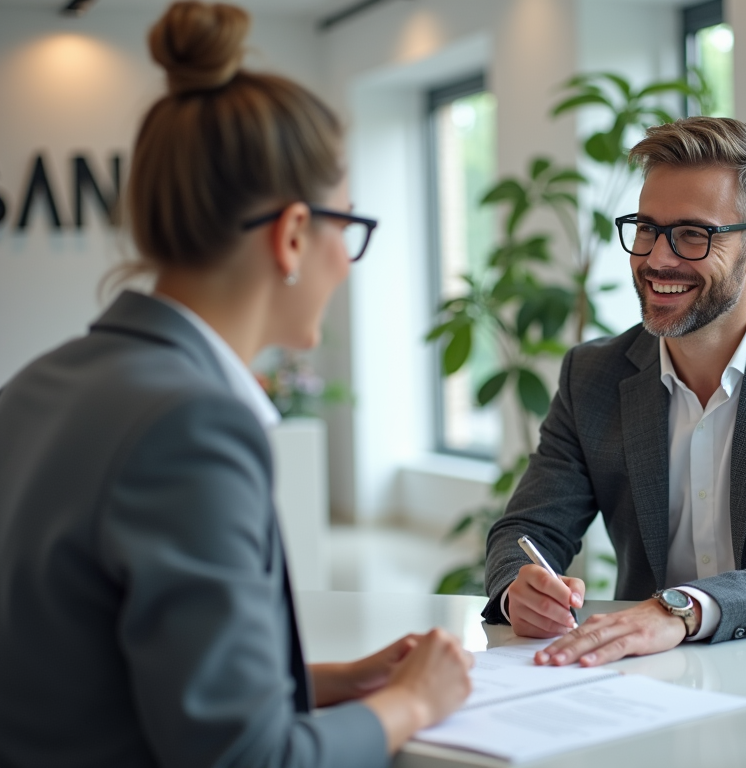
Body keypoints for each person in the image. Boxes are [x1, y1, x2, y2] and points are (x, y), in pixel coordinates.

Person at [0, 3, 472, 767]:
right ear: (291, 235)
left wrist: (333, 683)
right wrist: (412, 703)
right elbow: (248, 761)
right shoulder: (189, 424)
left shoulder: (38, 385)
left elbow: (95, 678)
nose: (348, 262)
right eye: (347, 228)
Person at [483, 116, 746, 666]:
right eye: (646, 228)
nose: (658, 259)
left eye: (692, 234)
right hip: (658, 678)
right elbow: (528, 526)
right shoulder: (592, 374)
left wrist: (683, 608)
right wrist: (521, 589)